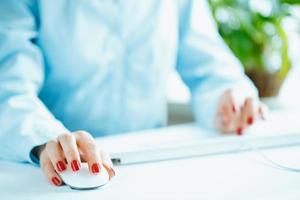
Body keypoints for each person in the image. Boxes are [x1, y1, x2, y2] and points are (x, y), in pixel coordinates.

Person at [0, 0, 267, 187]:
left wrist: (229, 99)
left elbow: (211, 67)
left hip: (147, 169)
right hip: (55, 175)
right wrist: (45, 139)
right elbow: (9, 88)